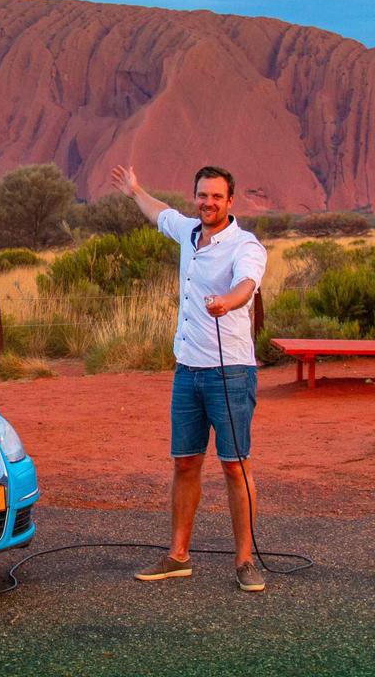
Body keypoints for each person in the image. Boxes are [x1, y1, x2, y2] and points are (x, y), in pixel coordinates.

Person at [110, 164, 268, 593]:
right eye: (202, 195)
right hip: (187, 372)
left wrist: (227, 303)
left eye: (217, 197)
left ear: (230, 201)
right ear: (195, 196)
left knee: (235, 467)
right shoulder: (189, 232)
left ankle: (245, 562)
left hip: (230, 372)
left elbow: (247, 285)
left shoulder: (245, 246)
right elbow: (160, 213)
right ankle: (178, 556)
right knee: (185, 462)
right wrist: (135, 190)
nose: (208, 203)